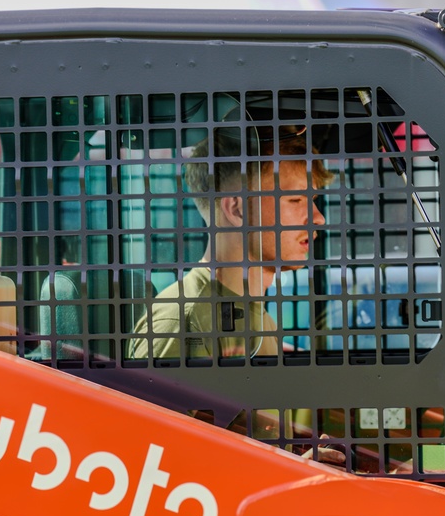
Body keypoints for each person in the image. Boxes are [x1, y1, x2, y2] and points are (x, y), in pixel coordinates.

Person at [127, 126, 334, 360]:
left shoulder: (249, 315)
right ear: (237, 209)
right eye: (296, 199)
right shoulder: (183, 325)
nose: (318, 218)